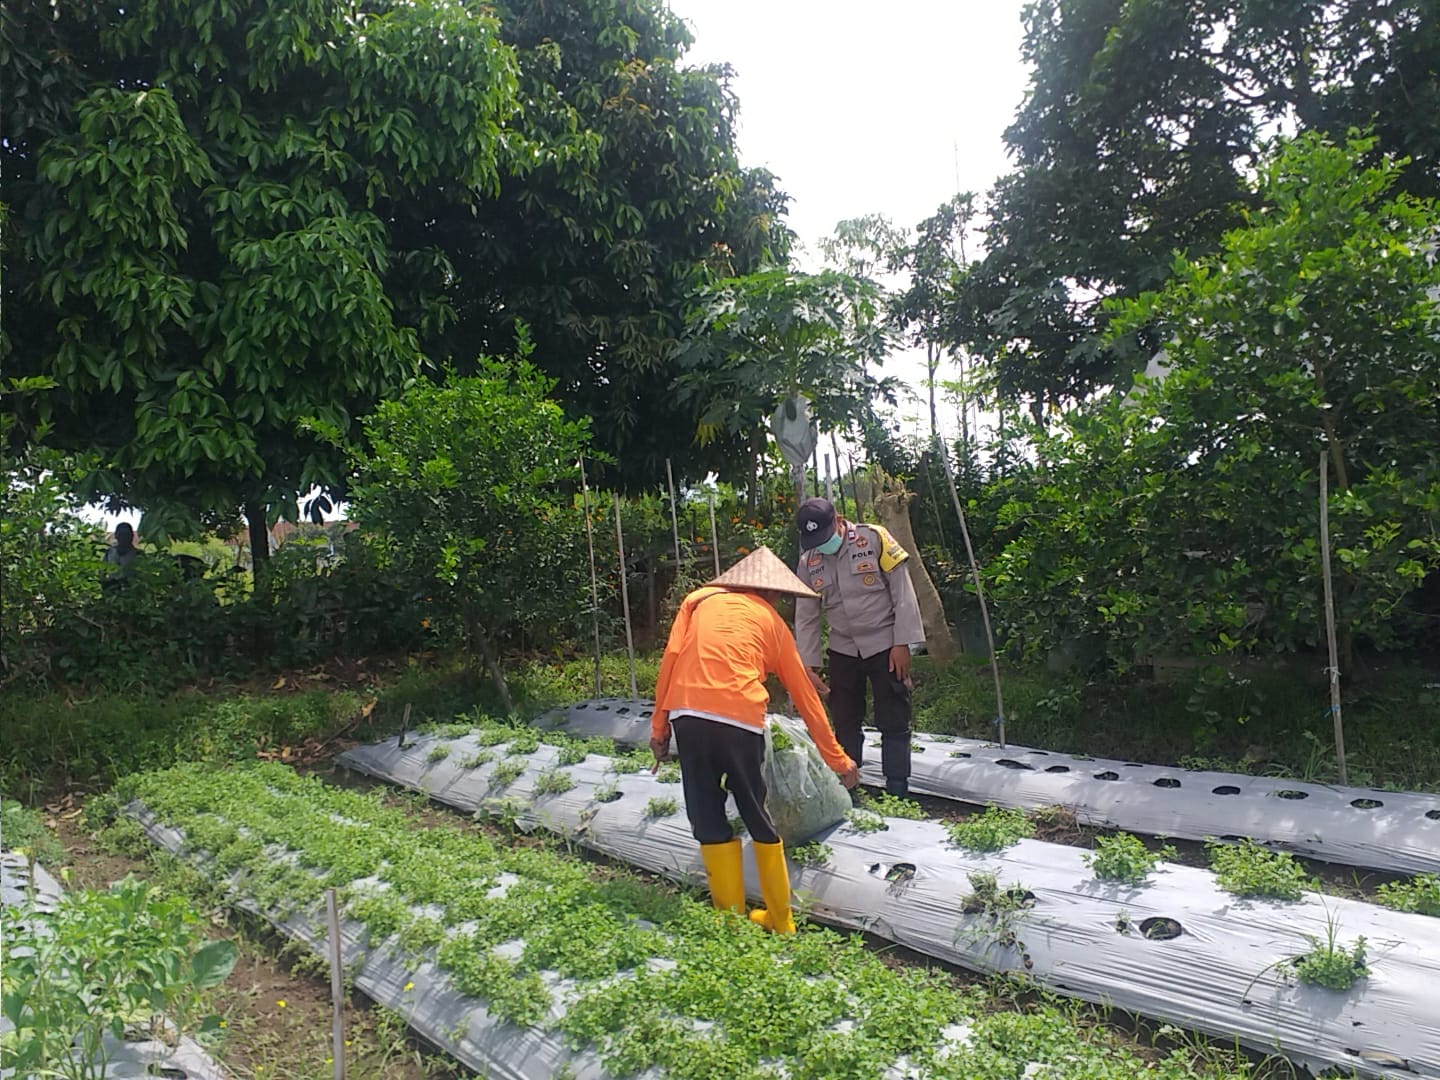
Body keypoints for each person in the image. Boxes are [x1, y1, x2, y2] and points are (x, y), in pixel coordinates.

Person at [650, 546, 859, 934]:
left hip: (688, 713)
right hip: (740, 718)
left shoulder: (697, 601)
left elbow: (671, 661)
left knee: (706, 813)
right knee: (754, 809)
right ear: (773, 594)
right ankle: (781, 920)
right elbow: (806, 699)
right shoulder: (774, 624)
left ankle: (726, 916)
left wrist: (658, 730)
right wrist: (839, 761)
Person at [794, 497, 925, 798]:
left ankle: (897, 789)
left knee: (893, 716)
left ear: (838, 521)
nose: (821, 545)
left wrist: (903, 642)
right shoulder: (809, 561)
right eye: (814, 541)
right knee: (844, 719)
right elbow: (807, 615)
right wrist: (808, 666)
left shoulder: (874, 538)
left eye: (824, 538)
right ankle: (850, 785)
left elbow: (902, 591)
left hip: (885, 644)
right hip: (843, 648)